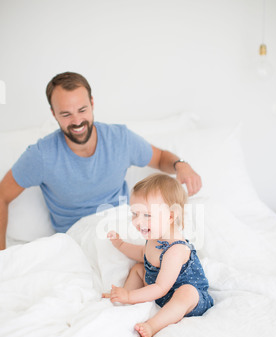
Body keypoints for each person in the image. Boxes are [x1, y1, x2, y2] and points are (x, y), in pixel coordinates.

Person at [0, 72, 202, 250]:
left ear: (92, 103)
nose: (77, 121)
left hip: (125, 225)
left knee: (191, 230)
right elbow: (2, 195)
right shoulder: (41, 155)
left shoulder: (120, 138)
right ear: (53, 113)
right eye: (66, 114)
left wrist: (180, 165)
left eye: (82, 110)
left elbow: (160, 158)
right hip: (80, 239)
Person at [102, 173, 214, 337]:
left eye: (147, 215)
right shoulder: (154, 237)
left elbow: (161, 287)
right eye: (135, 213)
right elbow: (143, 254)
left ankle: (153, 325)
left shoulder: (176, 249)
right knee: (139, 268)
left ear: (170, 216)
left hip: (186, 299)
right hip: (161, 293)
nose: (138, 222)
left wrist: (131, 297)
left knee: (187, 292)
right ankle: (121, 298)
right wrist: (121, 244)